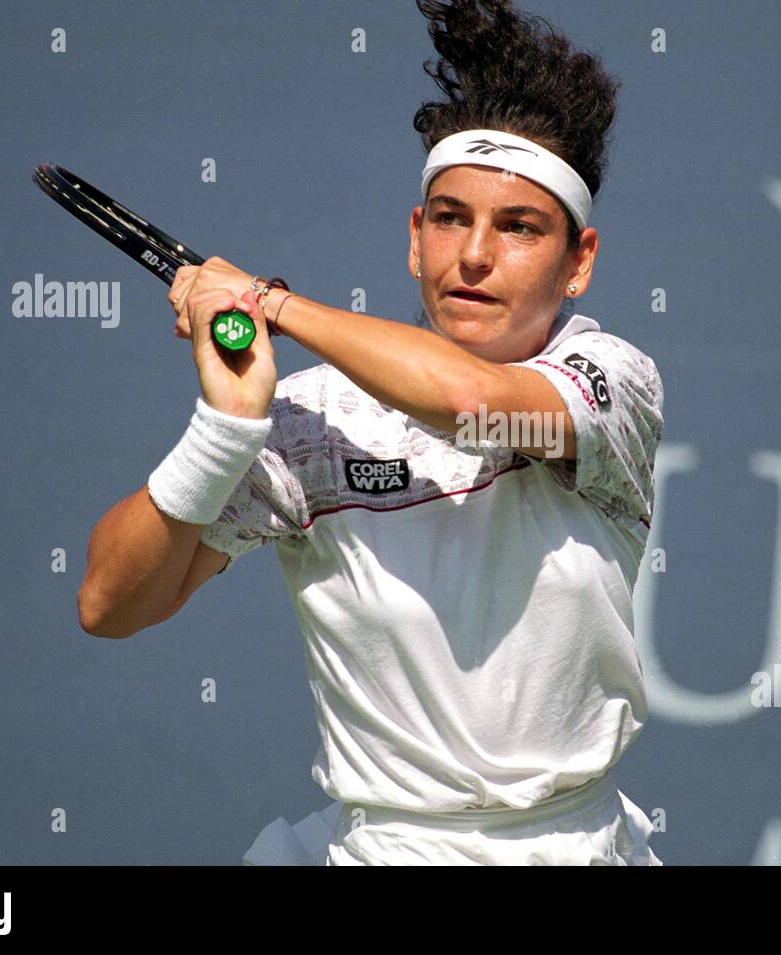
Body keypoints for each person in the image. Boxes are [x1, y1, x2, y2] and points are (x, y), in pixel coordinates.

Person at [78, 0, 664, 865]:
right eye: (451, 218)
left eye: (519, 228)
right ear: (414, 238)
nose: (474, 254)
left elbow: (473, 401)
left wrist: (273, 304)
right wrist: (224, 429)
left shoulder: (611, 379)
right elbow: (108, 604)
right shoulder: (311, 420)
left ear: (579, 261)